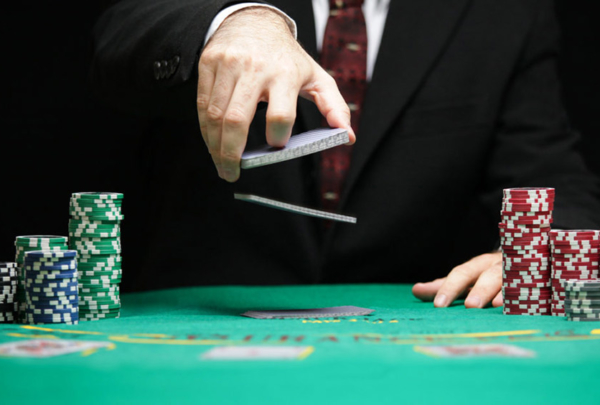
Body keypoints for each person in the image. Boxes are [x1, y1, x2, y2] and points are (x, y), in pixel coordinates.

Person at [91, 0, 600, 305]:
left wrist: (539, 257)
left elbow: (552, 173)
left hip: (410, 343)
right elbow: (117, 36)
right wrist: (233, 20)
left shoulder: (504, 13)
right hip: (189, 329)